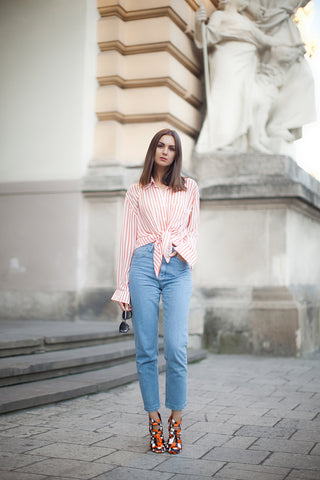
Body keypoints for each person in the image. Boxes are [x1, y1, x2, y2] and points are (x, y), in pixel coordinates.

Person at [111, 128, 200, 454]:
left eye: (171, 148)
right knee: (146, 349)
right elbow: (127, 239)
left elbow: (193, 230)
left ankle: (176, 420)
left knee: (177, 346)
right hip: (143, 265)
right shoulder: (136, 191)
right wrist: (123, 286)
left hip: (177, 266)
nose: (165, 151)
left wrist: (182, 249)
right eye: (160, 146)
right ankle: (154, 421)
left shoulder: (189, 187)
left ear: (177, 154)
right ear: (153, 150)